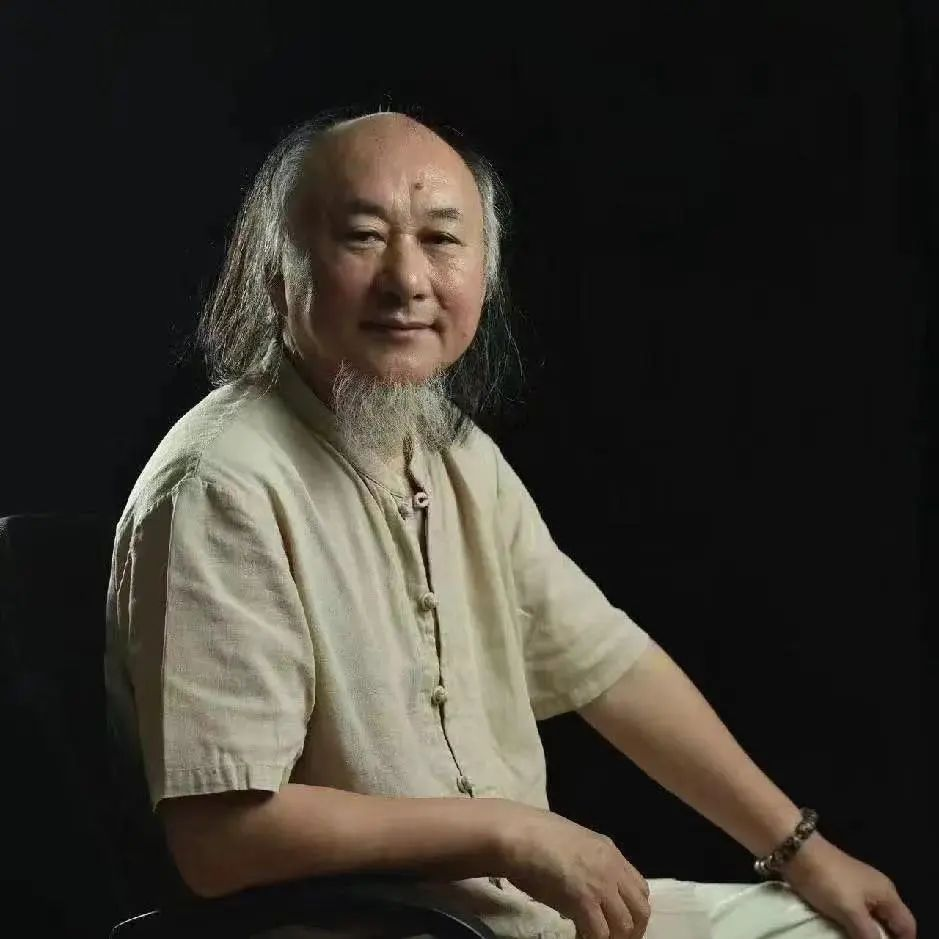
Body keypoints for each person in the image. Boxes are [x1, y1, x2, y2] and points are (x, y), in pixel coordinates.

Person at [104, 109, 916, 939]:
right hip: (371, 929)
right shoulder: (221, 483)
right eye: (363, 236)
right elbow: (219, 840)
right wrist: (506, 829)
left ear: (484, 275)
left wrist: (799, 849)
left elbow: (609, 666)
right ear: (278, 274)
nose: (407, 279)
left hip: (517, 921)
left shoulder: (453, 451)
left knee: (831, 928)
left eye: (441, 239)